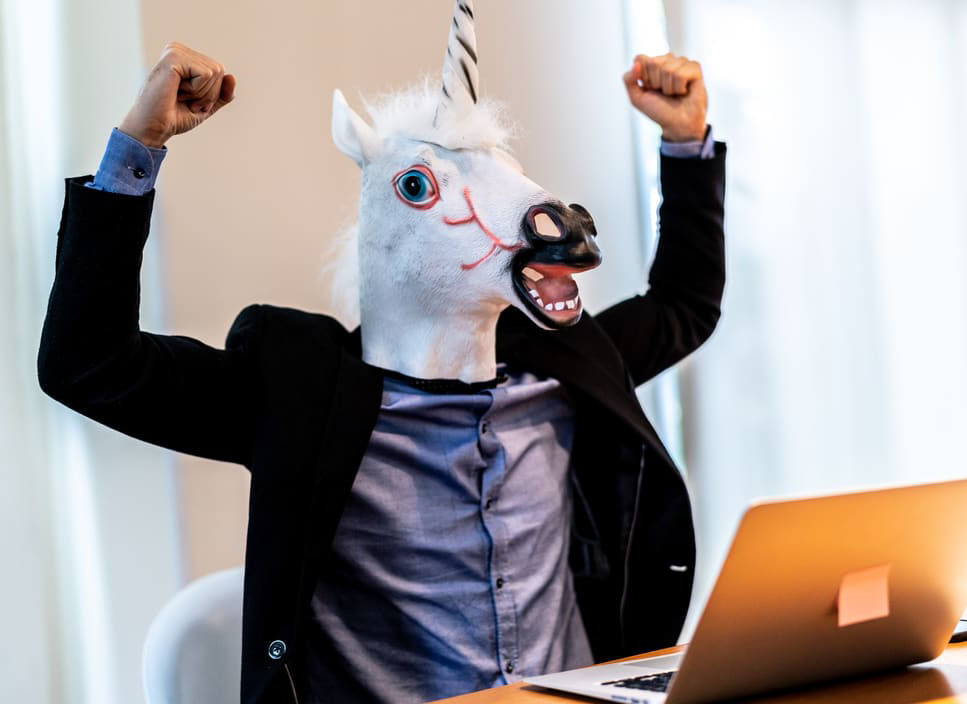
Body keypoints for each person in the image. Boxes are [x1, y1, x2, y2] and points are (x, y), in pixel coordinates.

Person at [38, 32, 725, 704]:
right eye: (425, 185)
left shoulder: (562, 368)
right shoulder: (299, 396)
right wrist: (138, 147)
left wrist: (685, 141)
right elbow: (88, 365)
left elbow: (683, 304)